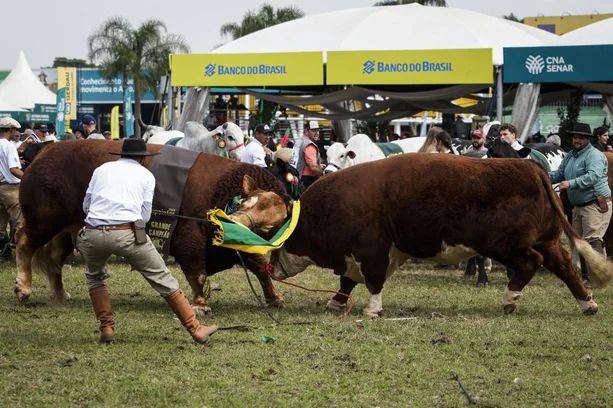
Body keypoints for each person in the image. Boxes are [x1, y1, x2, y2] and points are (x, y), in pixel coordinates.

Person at [75, 139, 217, 344]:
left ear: (122, 155)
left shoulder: (102, 169)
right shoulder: (146, 175)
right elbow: (145, 216)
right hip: (126, 233)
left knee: (95, 278)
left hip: (93, 233)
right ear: (142, 158)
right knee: (164, 280)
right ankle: (196, 329)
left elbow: (86, 205)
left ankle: (106, 328)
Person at [549, 123, 612, 289]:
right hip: (578, 205)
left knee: (592, 239)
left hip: (595, 204)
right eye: (575, 137)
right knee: (580, 242)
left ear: (588, 139)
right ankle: (586, 278)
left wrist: (570, 183)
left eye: (581, 137)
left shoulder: (595, 156)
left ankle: (597, 277)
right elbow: (559, 174)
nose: (577, 140)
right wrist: (542, 176)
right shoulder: (571, 155)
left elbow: (593, 176)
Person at [0, 117, 25, 248]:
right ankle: (22, 256)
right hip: (10, 189)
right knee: (21, 224)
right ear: (11, 129)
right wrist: (28, 178)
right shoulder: (9, 146)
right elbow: (14, 170)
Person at [292, 120, 324, 188]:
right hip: (307, 180)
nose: (317, 133)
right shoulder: (309, 145)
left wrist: (318, 165)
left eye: (317, 130)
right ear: (306, 131)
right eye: (313, 130)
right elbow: (313, 167)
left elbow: (300, 159)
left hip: (295, 176)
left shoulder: (298, 141)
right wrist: (323, 173)